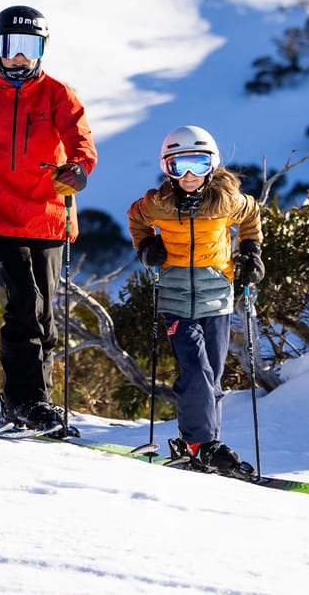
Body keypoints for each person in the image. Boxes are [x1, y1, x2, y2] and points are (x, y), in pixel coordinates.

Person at [0, 4, 96, 432]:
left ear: (41, 50)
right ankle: (24, 400)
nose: (19, 57)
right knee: (25, 304)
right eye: (11, 46)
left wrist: (79, 172)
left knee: (45, 311)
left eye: (29, 47)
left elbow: (82, 143)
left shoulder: (58, 95)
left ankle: (36, 402)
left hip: (50, 214)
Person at [124, 125, 266, 477]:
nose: (188, 176)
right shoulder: (158, 204)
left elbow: (251, 216)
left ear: (213, 166)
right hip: (174, 299)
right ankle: (202, 444)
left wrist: (251, 252)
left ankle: (199, 445)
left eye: (198, 165)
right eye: (179, 166)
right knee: (197, 370)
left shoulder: (227, 200)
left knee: (212, 376)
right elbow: (136, 219)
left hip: (217, 298)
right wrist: (146, 248)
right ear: (167, 168)